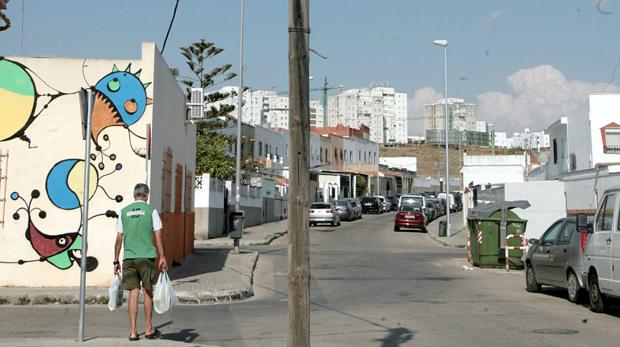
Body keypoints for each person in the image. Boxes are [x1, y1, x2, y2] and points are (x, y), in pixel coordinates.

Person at [113, 183, 167, 341]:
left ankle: (133, 331)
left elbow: (119, 238)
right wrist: (162, 257)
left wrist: (116, 260)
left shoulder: (123, 212)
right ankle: (149, 328)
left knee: (133, 293)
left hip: (129, 258)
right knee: (148, 291)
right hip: (146, 257)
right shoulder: (151, 211)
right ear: (147, 195)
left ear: (134, 195)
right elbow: (158, 237)